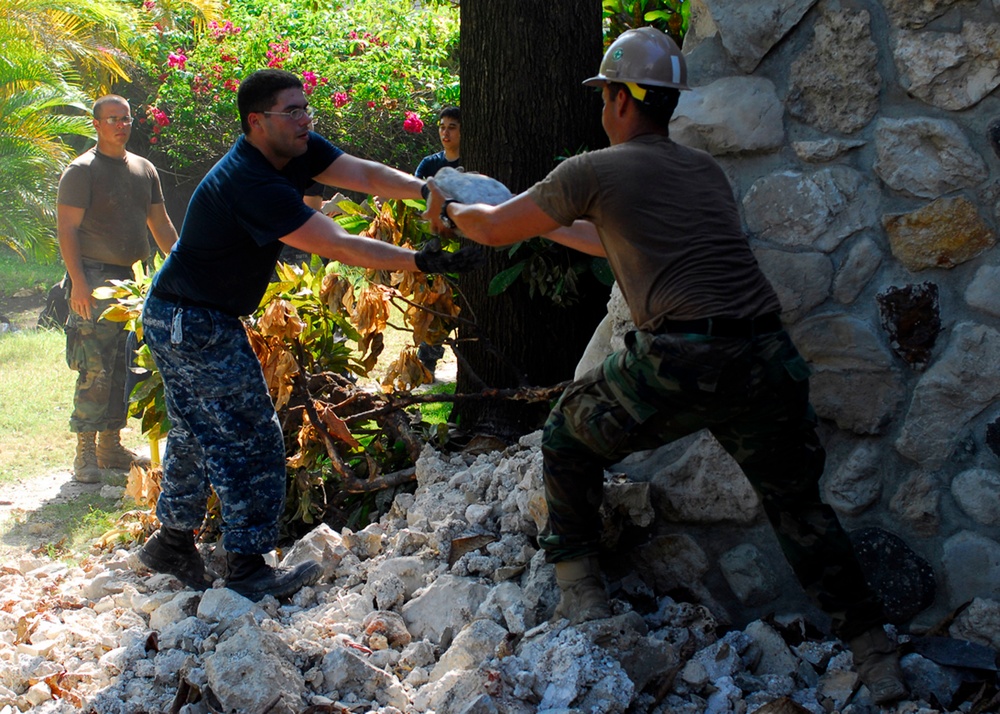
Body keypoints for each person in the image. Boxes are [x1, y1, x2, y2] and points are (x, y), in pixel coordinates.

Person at [427, 28, 907, 705]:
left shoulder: (596, 168)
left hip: (683, 356)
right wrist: (542, 219)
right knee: (800, 507)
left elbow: (491, 228)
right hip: (765, 356)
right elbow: (607, 234)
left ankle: (580, 587)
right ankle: (873, 649)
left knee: (567, 431)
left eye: (604, 95)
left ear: (620, 100)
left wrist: (447, 208)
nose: (602, 108)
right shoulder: (700, 171)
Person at [137, 69, 481, 602]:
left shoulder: (292, 148)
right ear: (257, 122)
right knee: (249, 436)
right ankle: (248, 568)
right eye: (291, 112)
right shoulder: (252, 182)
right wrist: (420, 259)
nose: (304, 120)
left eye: (306, 109)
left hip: (182, 315)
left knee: (195, 432)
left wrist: (428, 190)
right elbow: (338, 243)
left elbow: (362, 174)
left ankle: (172, 544)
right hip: (192, 321)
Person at [57, 94, 179, 484]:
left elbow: (160, 225)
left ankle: (110, 446)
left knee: (126, 366)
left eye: (125, 118)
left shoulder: (144, 169)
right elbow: (67, 230)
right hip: (92, 280)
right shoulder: (81, 171)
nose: (120, 125)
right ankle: (85, 454)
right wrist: (78, 284)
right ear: (97, 124)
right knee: (95, 368)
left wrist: (183, 265)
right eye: (111, 119)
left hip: (134, 283)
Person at [414, 106, 462, 374]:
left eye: (452, 127)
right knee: (434, 306)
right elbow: (412, 200)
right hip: (435, 247)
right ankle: (426, 365)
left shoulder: (476, 159)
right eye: (442, 127)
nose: (445, 132)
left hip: (466, 242)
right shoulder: (429, 164)